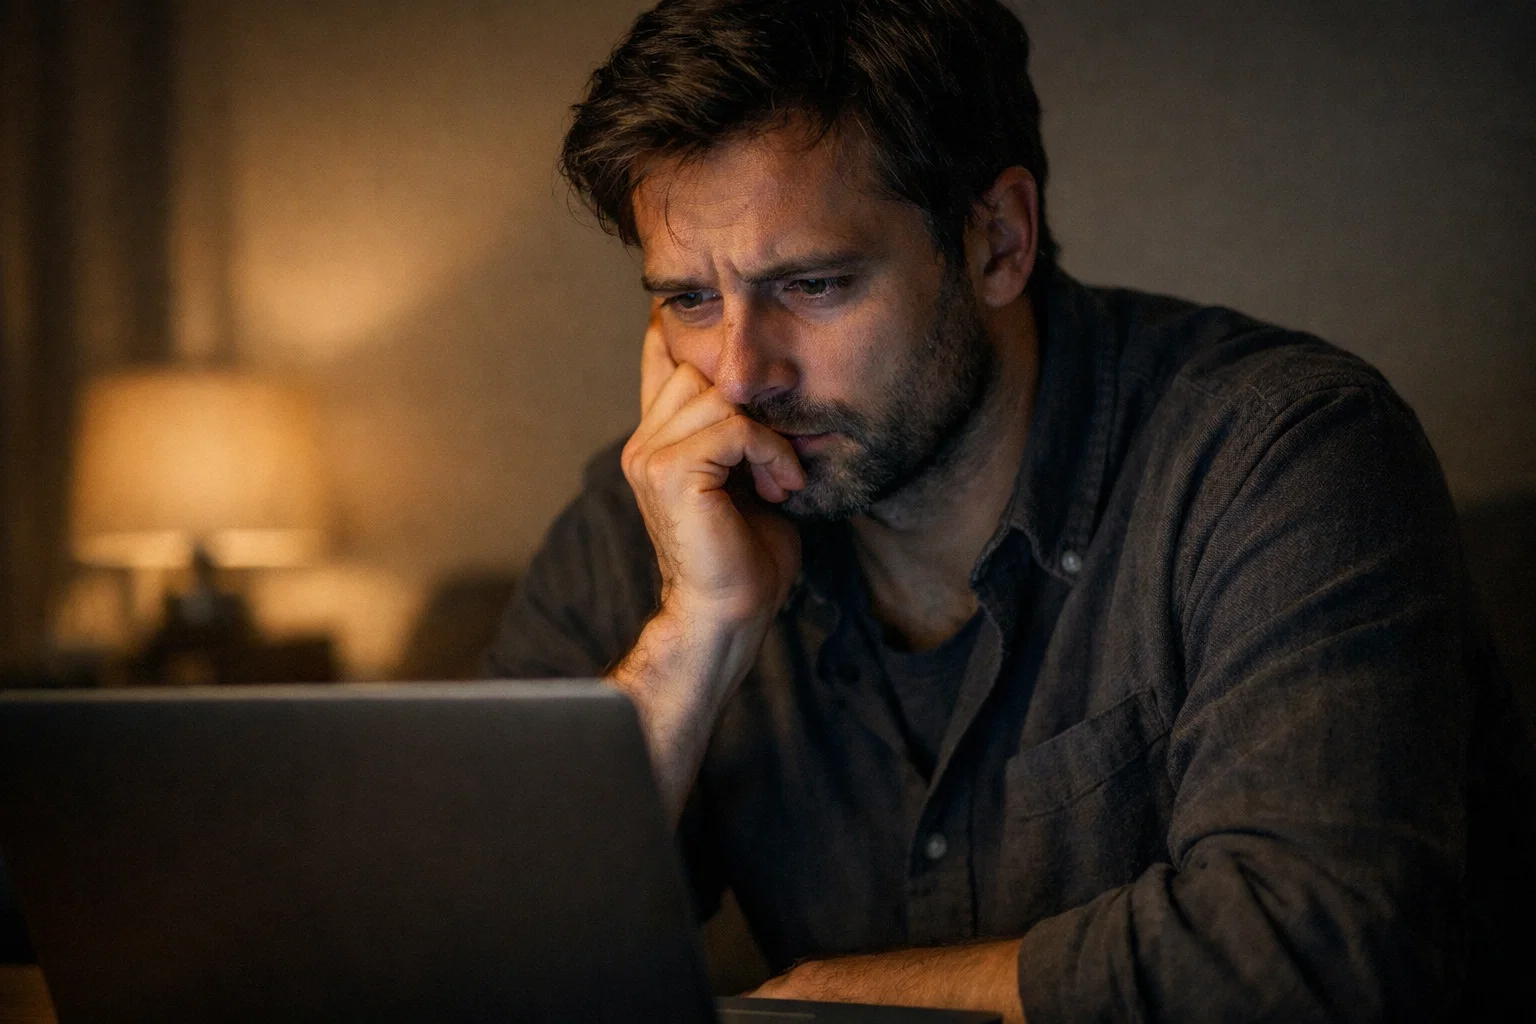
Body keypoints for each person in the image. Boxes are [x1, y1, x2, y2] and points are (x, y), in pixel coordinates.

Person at [485, 0, 1534, 1019]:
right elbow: (466, 961)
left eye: (812, 283)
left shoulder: (1284, 453)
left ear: (998, 240)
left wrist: (832, 1004)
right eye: (689, 299)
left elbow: (1318, 956)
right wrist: (693, 637)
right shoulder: (651, 519)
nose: (739, 373)